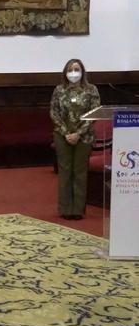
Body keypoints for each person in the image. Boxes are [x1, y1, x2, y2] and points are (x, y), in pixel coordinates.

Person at [50, 59, 101, 220]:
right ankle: (65, 209)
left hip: (84, 136)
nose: (73, 72)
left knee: (80, 172)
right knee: (65, 171)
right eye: (70, 69)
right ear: (65, 72)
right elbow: (54, 112)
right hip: (62, 135)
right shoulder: (59, 90)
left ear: (82, 71)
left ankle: (77, 210)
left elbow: (95, 113)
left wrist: (78, 133)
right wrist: (66, 133)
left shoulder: (91, 90)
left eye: (76, 69)